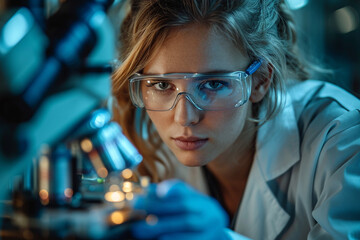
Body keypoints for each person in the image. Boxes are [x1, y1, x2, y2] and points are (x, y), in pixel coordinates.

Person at [111, 0, 360, 239]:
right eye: (162, 84)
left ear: (260, 80)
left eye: (213, 84)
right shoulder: (147, 144)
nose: (185, 118)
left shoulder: (343, 138)